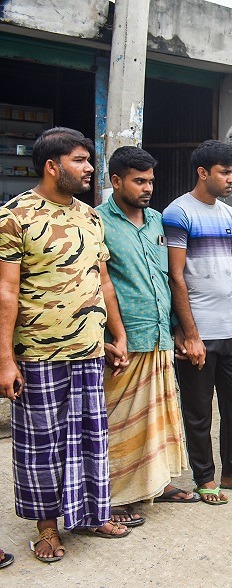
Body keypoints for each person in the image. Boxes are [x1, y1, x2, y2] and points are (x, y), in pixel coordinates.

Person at [0, 127, 130, 562]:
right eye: (80, 160)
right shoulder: (15, 216)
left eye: (89, 160)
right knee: (43, 445)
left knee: (92, 437)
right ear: (52, 167)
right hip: (38, 353)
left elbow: (104, 281)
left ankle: (94, 513)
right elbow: (6, 292)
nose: (90, 167)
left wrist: (117, 335)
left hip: (89, 351)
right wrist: (5, 360)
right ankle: (48, 529)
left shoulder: (91, 217)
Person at [163, 139, 232, 505]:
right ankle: (204, 477)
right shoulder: (179, 213)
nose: (231, 180)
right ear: (203, 172)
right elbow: (175, 276)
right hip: (199, 333)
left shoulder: (228, 215)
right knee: (198, 411)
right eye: (225, 173)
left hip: (230, 331)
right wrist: (190, 334)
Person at [97, 146, 192, 528]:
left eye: (150, 180)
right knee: (119, 421)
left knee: (159, 416)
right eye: (139, 181)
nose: (148, 187)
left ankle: (157, 481)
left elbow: (170, 277)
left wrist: (180, 328)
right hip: (125, 340)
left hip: (159, 335)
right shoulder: (97, 222)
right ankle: (116, 494)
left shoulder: (156, 221)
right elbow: (101, 285)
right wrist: (113, 335)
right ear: (116, 181)